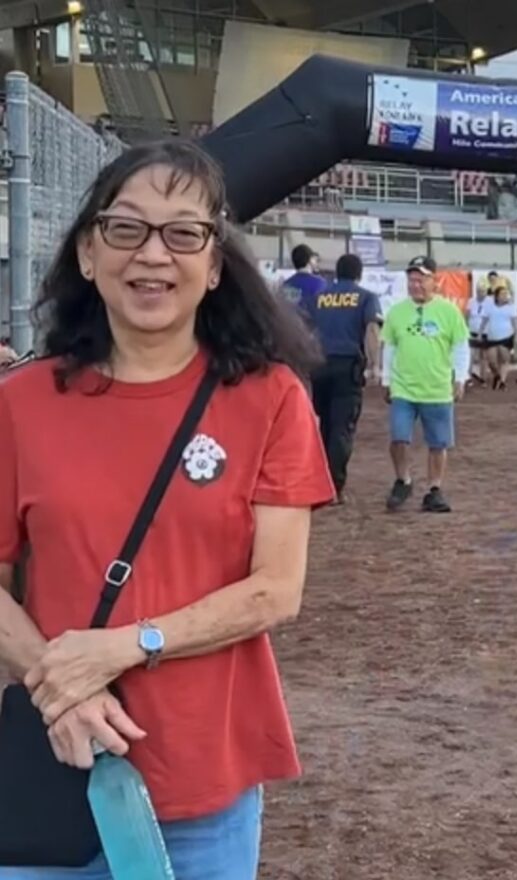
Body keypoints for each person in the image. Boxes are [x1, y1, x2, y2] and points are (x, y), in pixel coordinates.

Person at [0, 140, 335, 878]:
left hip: (203, 783)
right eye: (126, 229)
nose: (153, 254)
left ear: (214, 265)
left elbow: (276, 589)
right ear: (88, 253)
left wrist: (123, 646)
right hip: (56, 765)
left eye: (183, 233)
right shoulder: (19, 403)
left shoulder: (270, 397)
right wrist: (57, 690)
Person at [381, 256, 469, 513]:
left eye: (420, 279)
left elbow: (460, 346)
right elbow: (390, 347)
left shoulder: (449, 311)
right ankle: (403, 479)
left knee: (438, 443)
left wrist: (460, 377)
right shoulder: (397, 312)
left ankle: (434, 489)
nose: (415, 284)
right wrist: (386, 378)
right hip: (403, 388)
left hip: (437, 388)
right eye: (411, 280)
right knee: (398, 437)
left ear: (434, 281)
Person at [298, 253, 382, 503]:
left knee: (324, 424)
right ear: (359, 274)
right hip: (348, 366)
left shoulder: (319, 297)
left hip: (320, 364)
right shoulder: (366, 297)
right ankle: (334, 486)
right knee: (342, 428)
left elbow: (303, 328)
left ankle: (319, 481)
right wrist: (375, 365)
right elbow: (371, 330)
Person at [480, 285, 517, 391]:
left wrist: (516, 335)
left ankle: (502, 381)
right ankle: (497, 375)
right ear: (496, 296)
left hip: (506, 336)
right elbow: (484, 320)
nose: (505, 296)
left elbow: (514, 322)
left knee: (505, 360)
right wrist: (480, 332)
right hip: (492, 337)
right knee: (492, 361)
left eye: (506, 294)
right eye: (502, 294)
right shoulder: (490, 306)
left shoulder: (511, 307)